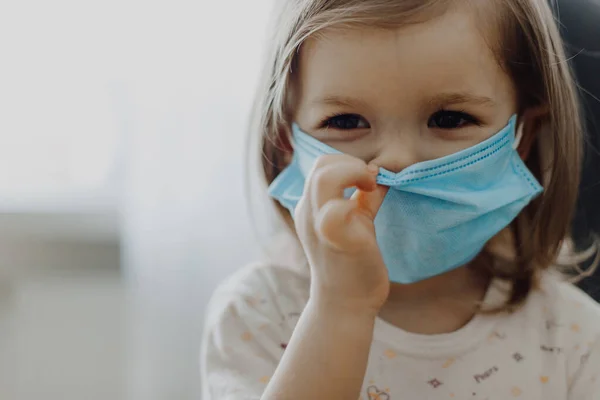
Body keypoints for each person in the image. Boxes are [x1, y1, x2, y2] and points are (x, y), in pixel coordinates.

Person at [201, 0, 600, 398]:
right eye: (346, 121)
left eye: (449, 118)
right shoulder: (256, 315)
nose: (397, 161)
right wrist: (339, 308)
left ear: (523, 135)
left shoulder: (576, 340)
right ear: (286, 139)